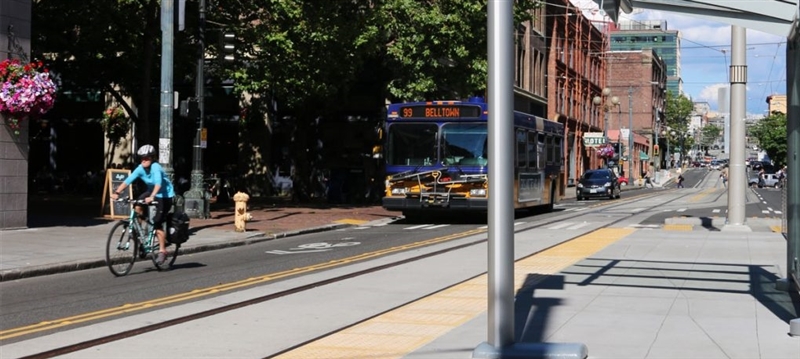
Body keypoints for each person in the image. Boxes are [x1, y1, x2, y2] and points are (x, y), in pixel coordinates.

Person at [110, 145, 176, 264]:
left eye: (147, 158)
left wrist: (152, 196)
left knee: (157, 223)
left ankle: (162, 251)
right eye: (142, 158)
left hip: (164, 195)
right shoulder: (140, 168)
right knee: (137, 203)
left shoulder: (156, 168)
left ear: (152, 158)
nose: (144, 160)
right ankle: (138, 228)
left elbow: (158, 184)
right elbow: (128, 180)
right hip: (151, 192)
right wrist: (117, 192)